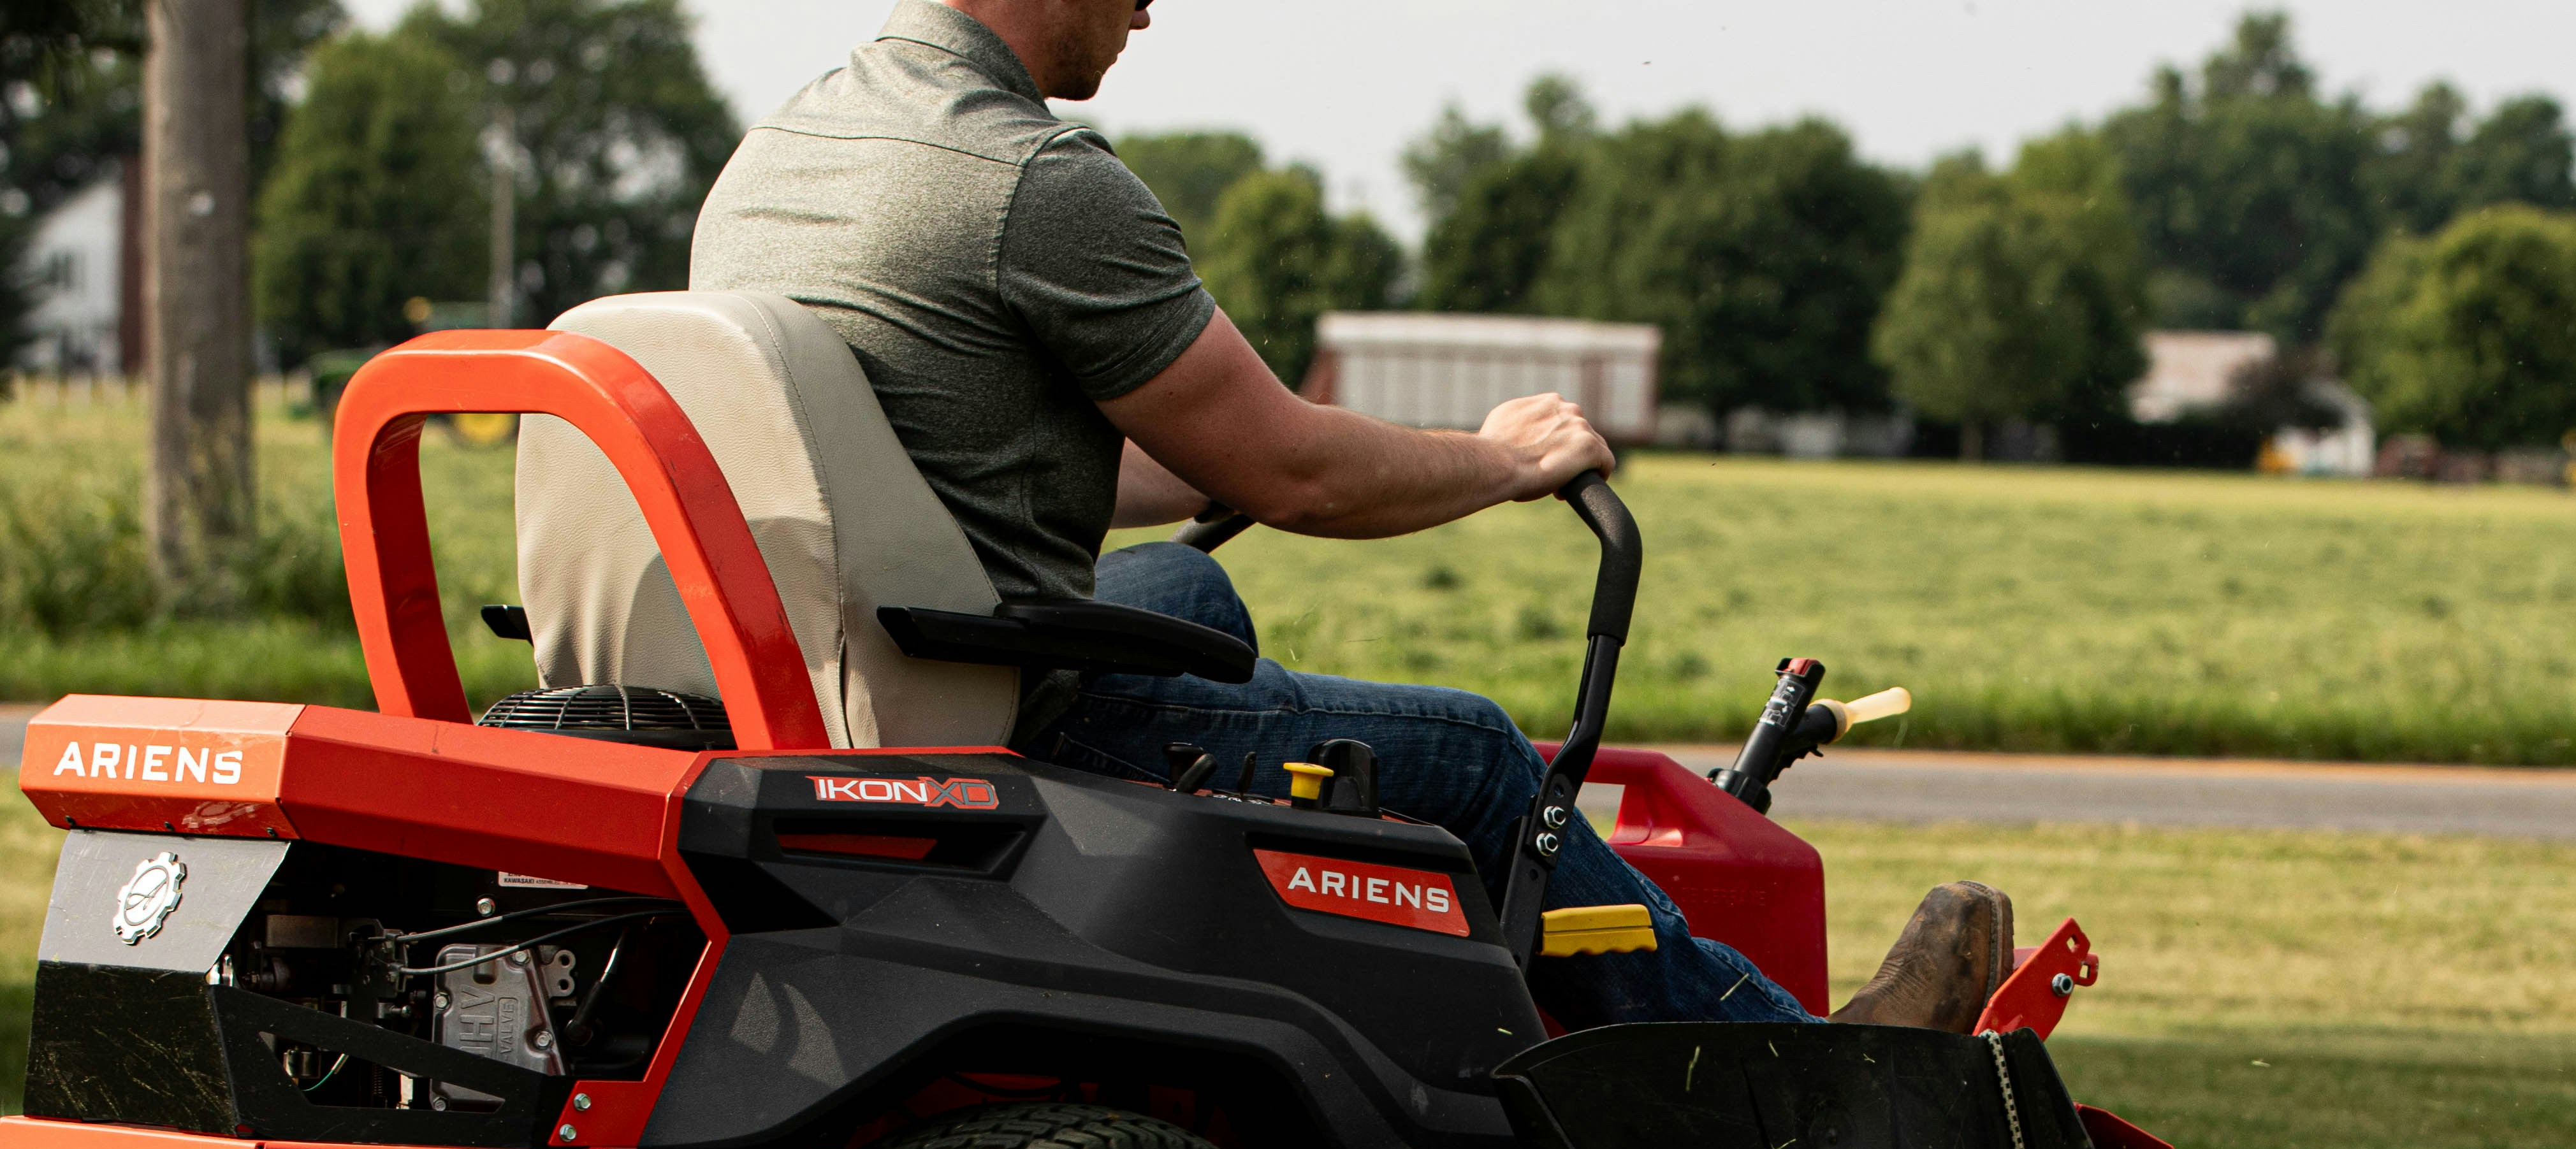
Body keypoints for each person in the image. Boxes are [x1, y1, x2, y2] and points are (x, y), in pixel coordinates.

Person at [690, 0, 2012, 1030]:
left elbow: (942, 451)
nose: (1149, 15)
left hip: (808, 661)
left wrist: (1228, 464)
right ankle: (1776, 1061)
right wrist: (1495, 460)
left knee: (1191, 595)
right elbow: (1303, 476)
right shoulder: (1031, 183)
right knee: (1483, 755)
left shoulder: (786, 151)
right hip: (987, 701)